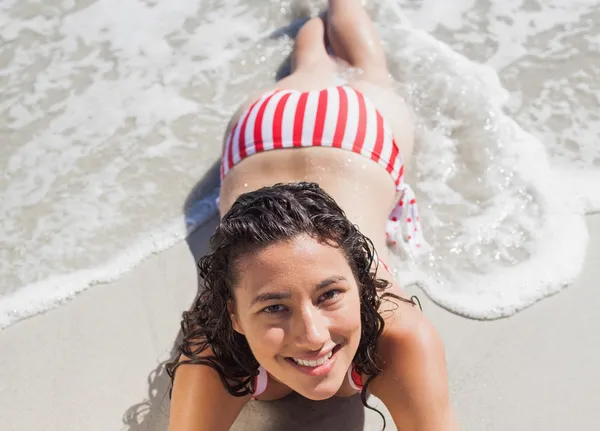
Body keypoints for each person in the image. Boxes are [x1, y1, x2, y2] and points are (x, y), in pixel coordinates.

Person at [167, 1, 458, 430]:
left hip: (331, 132)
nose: (313, 335)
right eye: (273, 307)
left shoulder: (400, 337)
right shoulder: (214, 353)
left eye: (329, 295)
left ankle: (322, 17)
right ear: (233, 316)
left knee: (346, 65)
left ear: (361, 283)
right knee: (344, 66)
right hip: (286, 134)